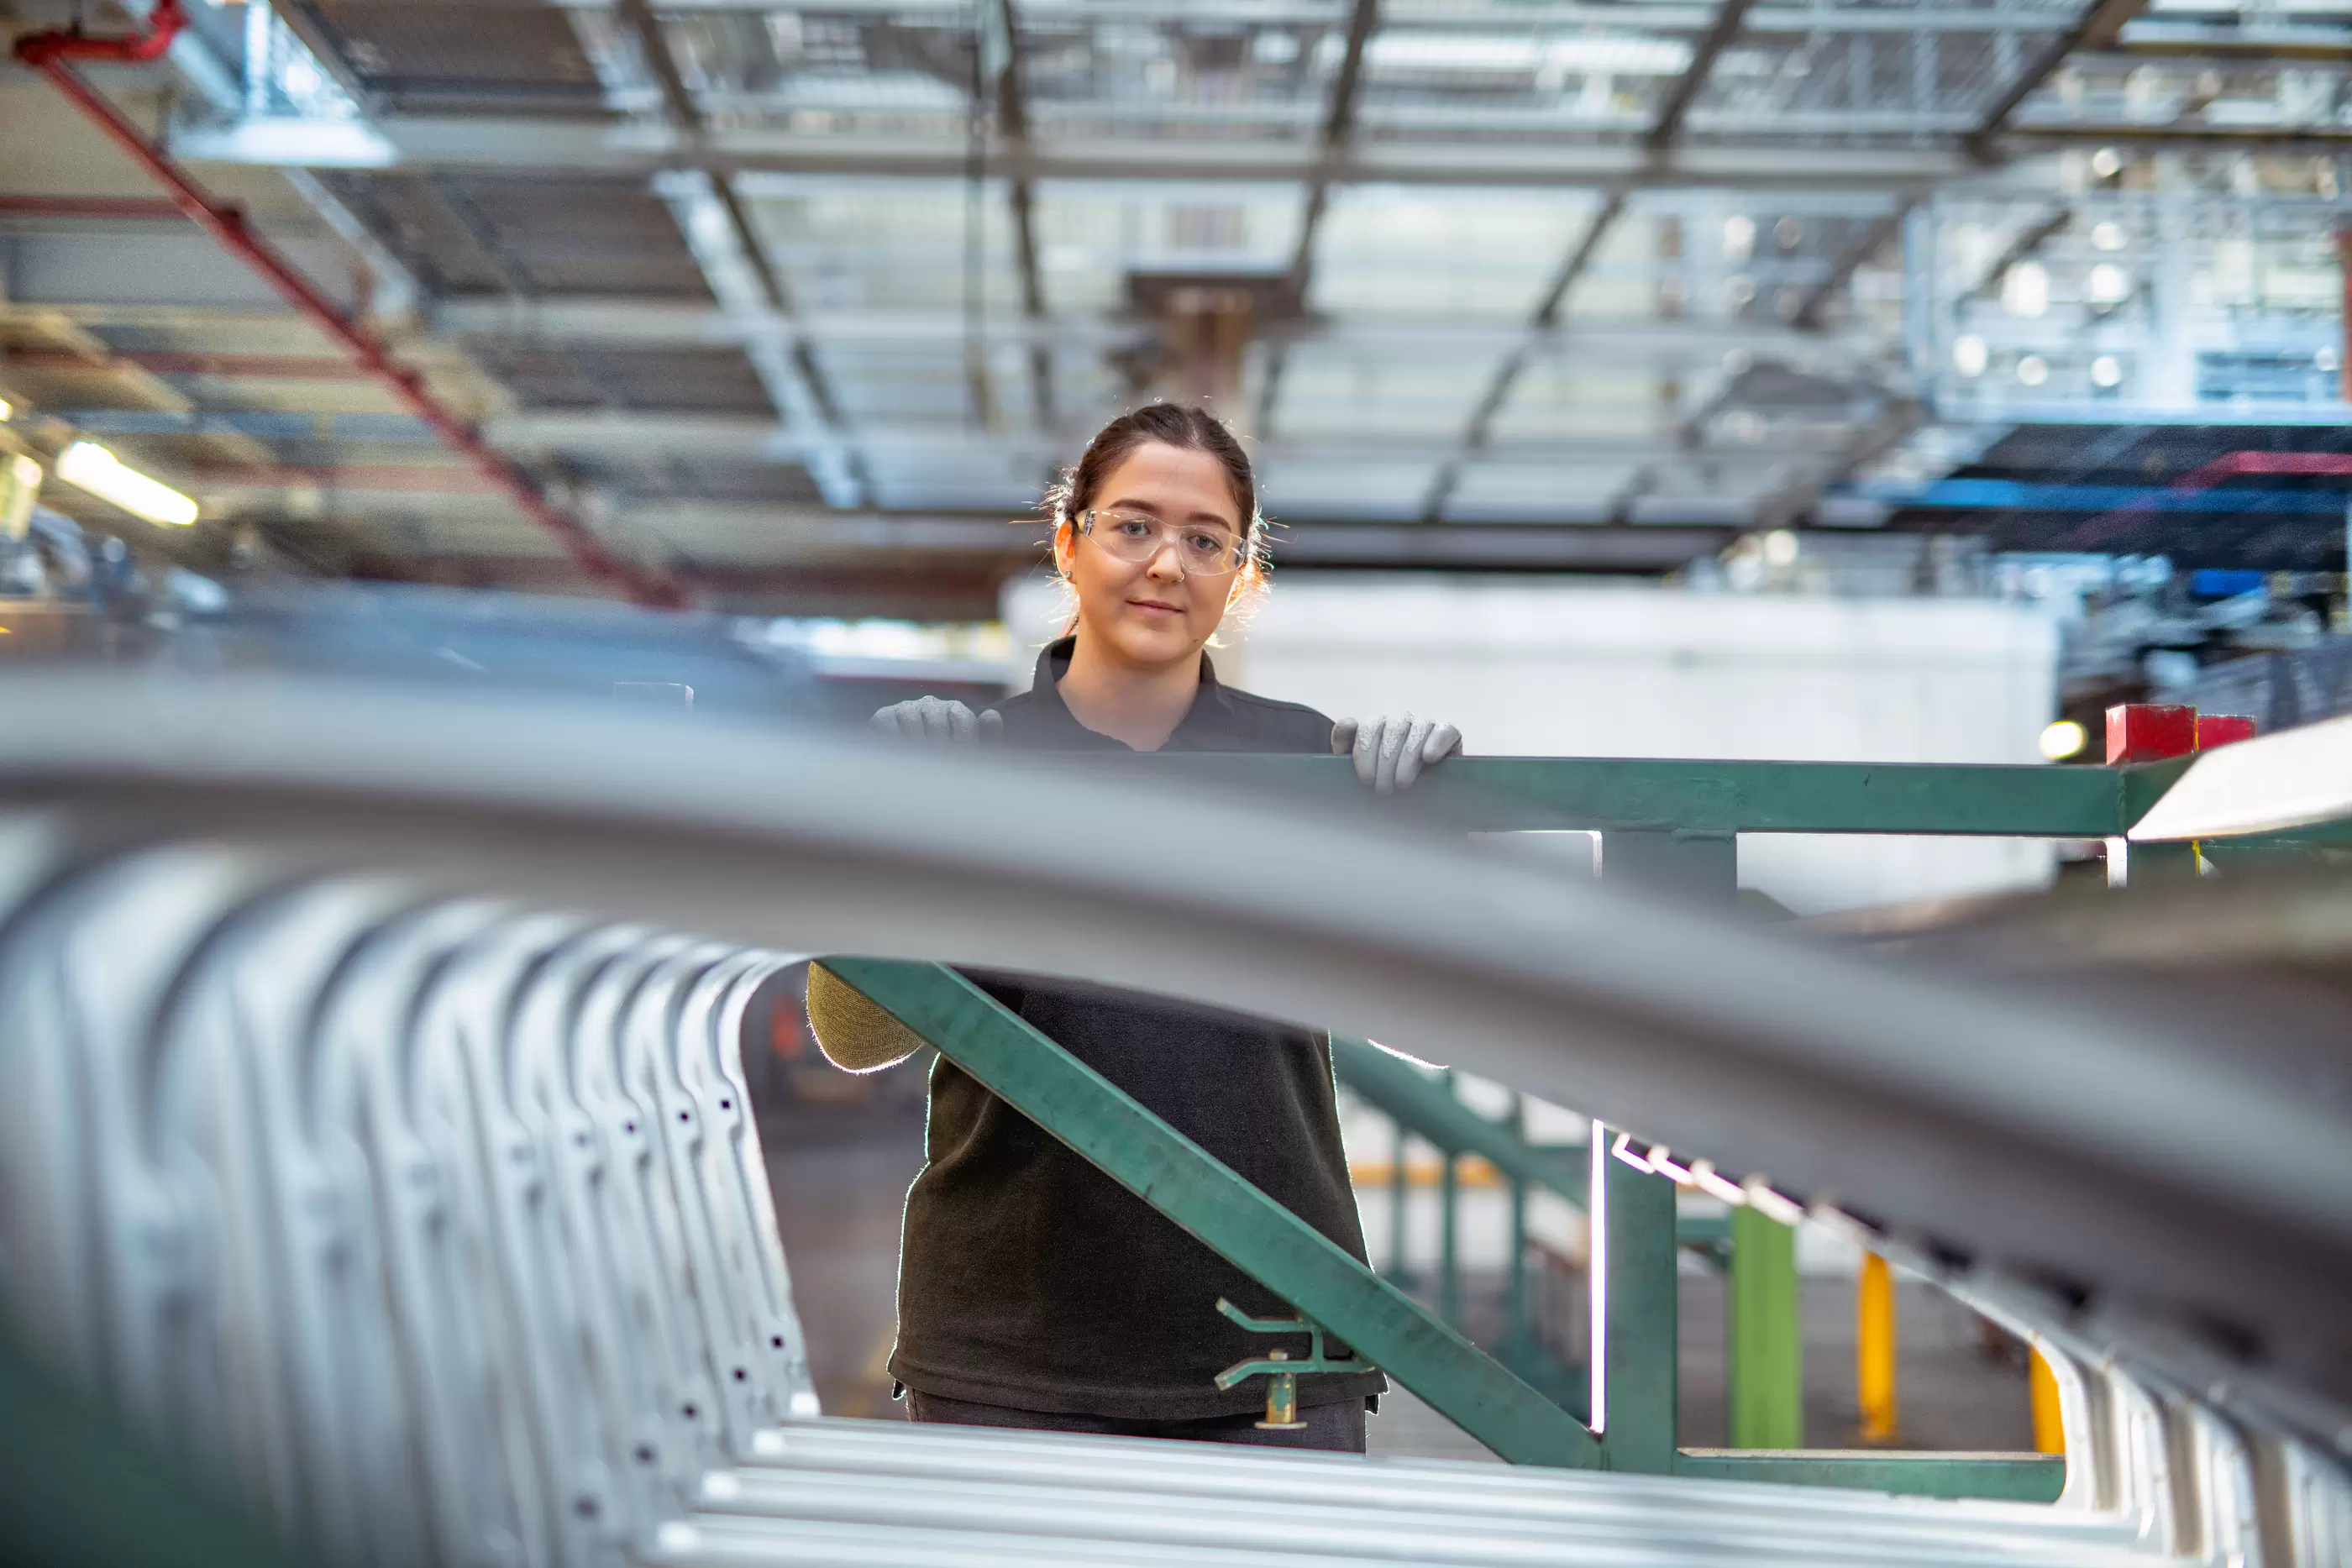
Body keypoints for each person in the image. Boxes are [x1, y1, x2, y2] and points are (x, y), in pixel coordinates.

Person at [804, 403, 1462, 1454]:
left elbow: (1434, 1030)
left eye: (1206, 540)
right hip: (1008, 1356)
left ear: (1240, 576)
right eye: (1133, 526)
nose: (1168, 562)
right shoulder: (974, 764)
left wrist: (1409, 836)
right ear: (1069, 542)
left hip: (1274, 1346)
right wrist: (900, 821)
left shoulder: (1309, 767)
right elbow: (853, 1032)